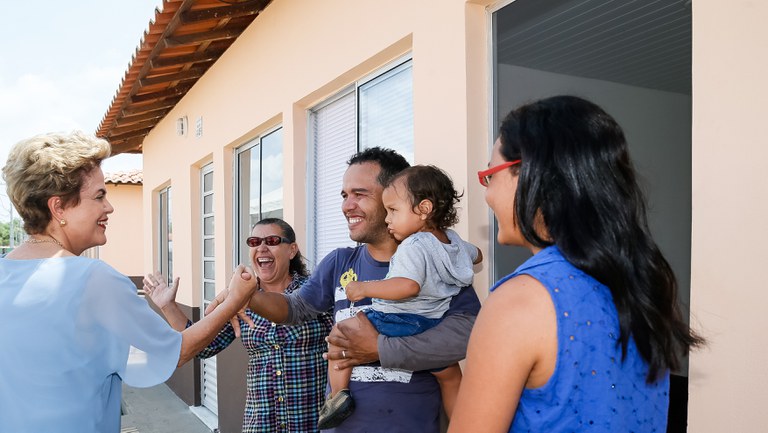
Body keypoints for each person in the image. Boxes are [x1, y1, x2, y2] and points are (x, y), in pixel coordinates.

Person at [448, 96, 705, 432]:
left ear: (528, 174)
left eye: (489, 176)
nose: (487, 194)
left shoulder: (520, 301)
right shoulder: (639, 286)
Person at [0, 131, 256, 433]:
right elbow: (177, 351)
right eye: (99, 196)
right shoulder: (92, 278)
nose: (109, 207)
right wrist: (234, 301)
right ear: (58, 208)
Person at [215, 147, 481, 433]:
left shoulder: (432, 261)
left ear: (395, 196)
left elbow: (469, 336)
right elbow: (294, 308)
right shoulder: (340, 262)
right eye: (344, 195)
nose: (347, 205)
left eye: (360, 194)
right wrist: (247, 296)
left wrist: (379, 348)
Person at [319, 165, 482, 428]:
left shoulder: (413, 245)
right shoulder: (452, 241)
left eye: (393, 211)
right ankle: (464, 424)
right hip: (431, 324)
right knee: (449, 373)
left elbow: (407, 287)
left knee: (340, 336)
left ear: (424, 209)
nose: (387, 219)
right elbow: (478, 255)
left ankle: (337, 398)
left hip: (401, 319)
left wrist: (365, 288)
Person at [144, 218, 334, 432]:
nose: (261, 247)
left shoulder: (316, 294)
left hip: (312, 424)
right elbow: (204, 346)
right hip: (261, 424)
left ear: (292, 250)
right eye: (254, 242)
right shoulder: (238, 297)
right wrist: (168, 306)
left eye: (271, 240)